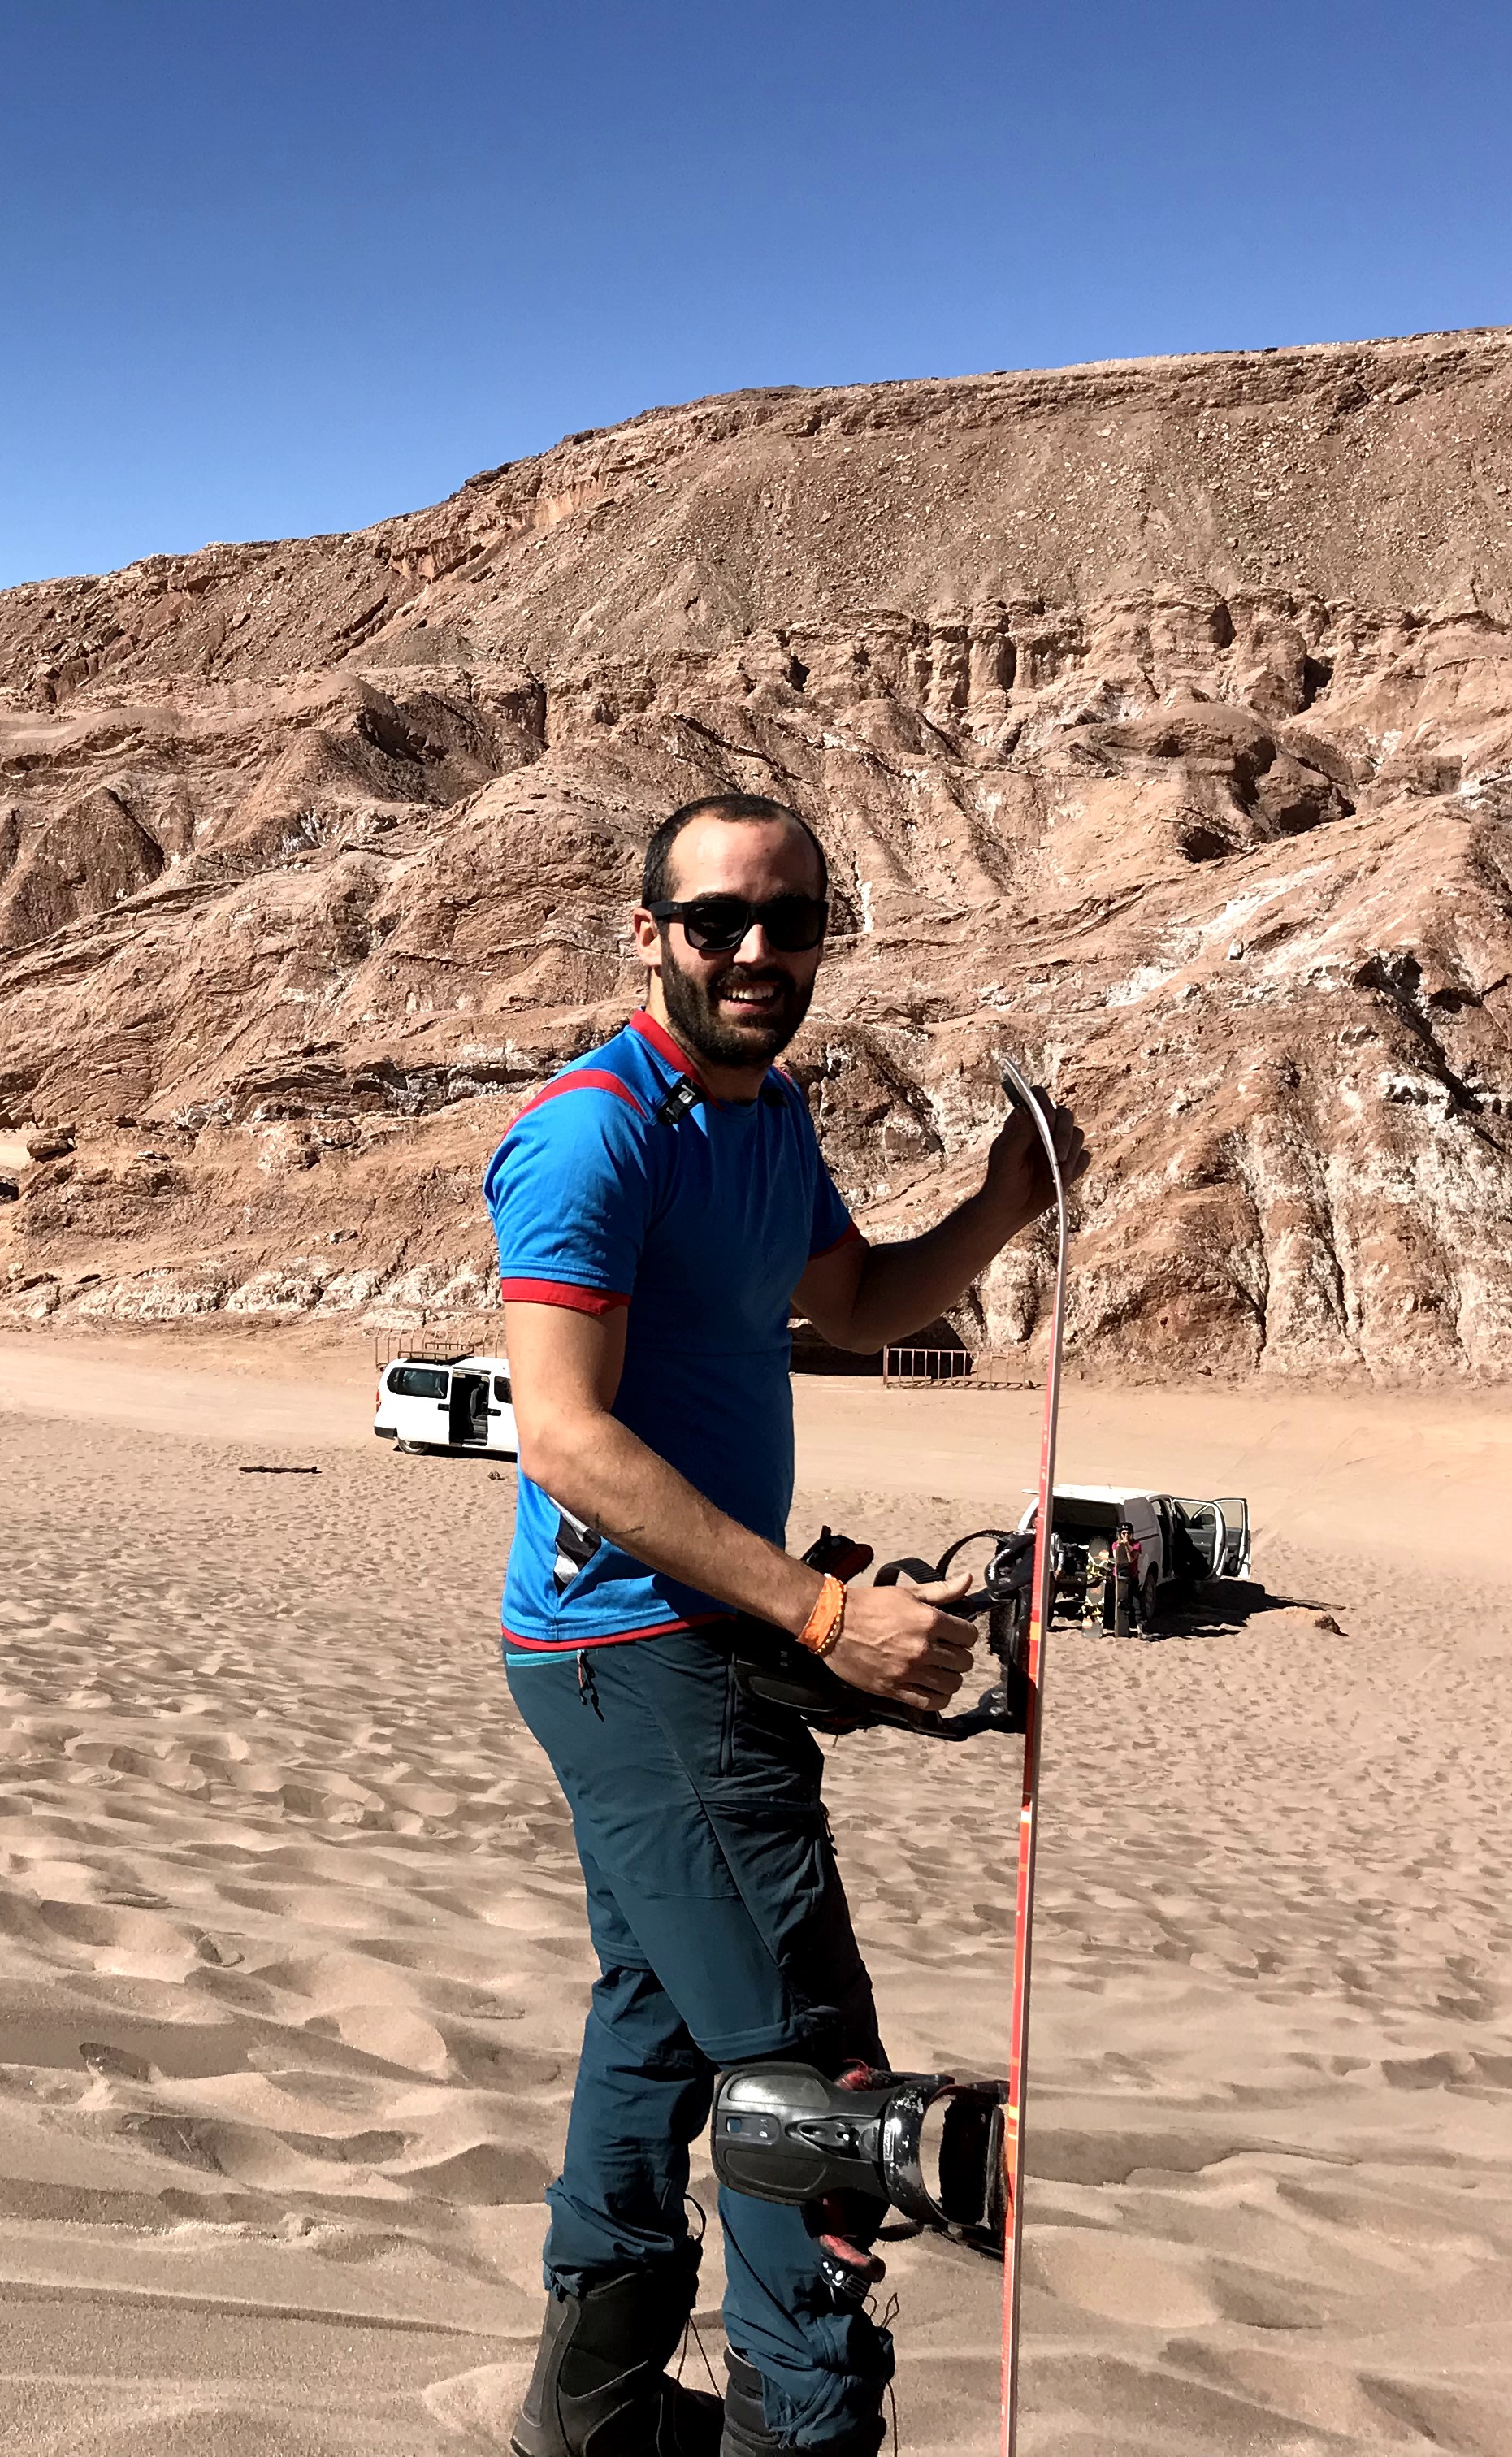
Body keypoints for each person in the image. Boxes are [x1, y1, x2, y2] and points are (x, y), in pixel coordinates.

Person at [492, 791, 1086, 2457]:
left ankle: (592, 2419)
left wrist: (1005, 1201)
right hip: (634, 1653)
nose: (757, 950)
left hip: (686, 1641)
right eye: (718, 921)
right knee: (810, 2080)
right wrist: (823, 1614)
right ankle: (803, 2430)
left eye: (793, 920)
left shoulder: (764, 1121)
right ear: (650, 935)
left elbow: (856, 1306)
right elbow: (566, 1439)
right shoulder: (596, 1133)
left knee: (659, 2016)